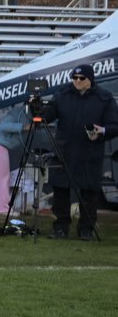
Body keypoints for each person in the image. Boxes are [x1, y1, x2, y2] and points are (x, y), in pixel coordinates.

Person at [40, 63, 118, 241]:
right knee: (60, 191)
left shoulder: (105, 98)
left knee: (89, 192)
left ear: (90, 79)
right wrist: (36, 108)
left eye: (81, 78)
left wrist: (102, 131)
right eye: (74, 78)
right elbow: (47, 115)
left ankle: (86, 229)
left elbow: (115, 125)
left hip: (90, 152)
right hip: (64, 150)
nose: (77, 82)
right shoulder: (62, 95)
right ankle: (60, 227)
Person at [0, 106, 30, 216]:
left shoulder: (26, 114)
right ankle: (2, 209)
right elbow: (3, 126)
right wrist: (23, 127)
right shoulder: (18, 112)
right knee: (2, 179)